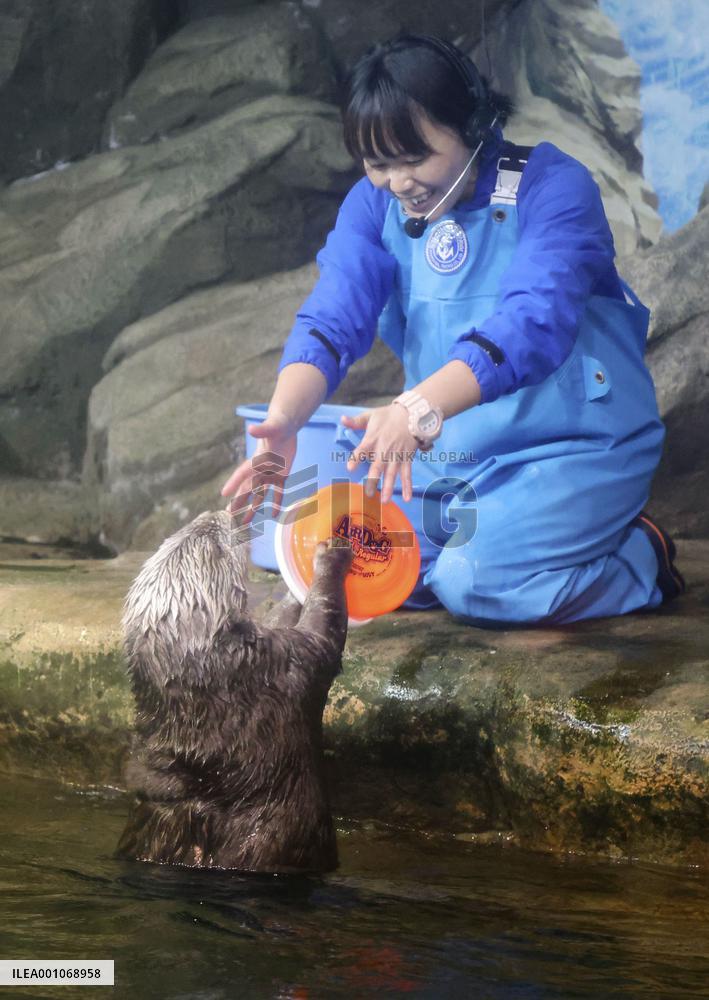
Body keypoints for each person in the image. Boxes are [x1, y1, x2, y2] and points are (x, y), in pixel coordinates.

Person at [221, 33, 685, 626]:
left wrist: (416, 409)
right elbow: (334, 315)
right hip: (452, 456)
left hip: (570, 449)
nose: (398, 182)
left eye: (414, 158)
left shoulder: (553, 186)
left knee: (476, 583)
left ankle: (638, 557)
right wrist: (285, 419)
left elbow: (531, 322)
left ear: (473, 124)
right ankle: (477, 551)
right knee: (347, 560)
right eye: (377, 163)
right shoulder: (374, 206)